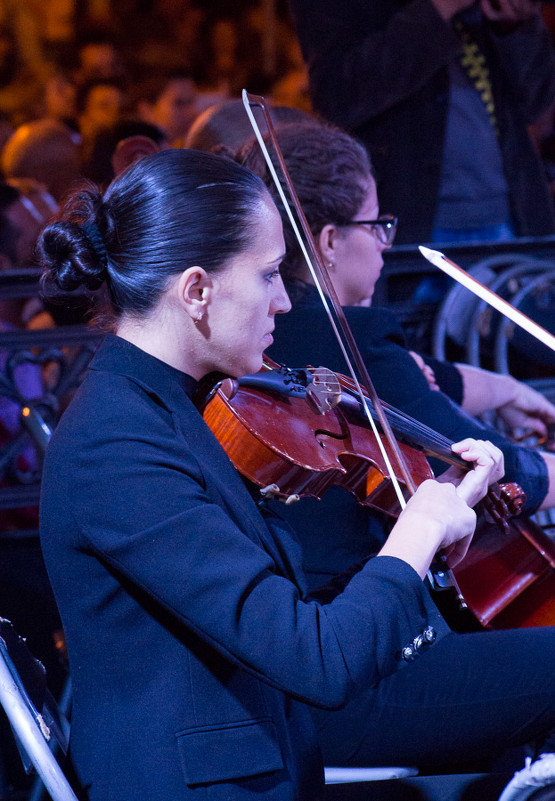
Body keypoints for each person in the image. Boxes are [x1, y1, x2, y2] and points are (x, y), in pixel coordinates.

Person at [36, 147, 555, 800]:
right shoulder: (116, 443)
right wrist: (417, 528)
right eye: (268, 275)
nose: (284, 300)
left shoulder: (170, 404)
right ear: (196, 290)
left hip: (269, 761)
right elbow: (317, 660)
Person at [288, 0, 555, 244]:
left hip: (514, 219)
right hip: (405, 227)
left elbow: (539, 100)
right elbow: (337, 98)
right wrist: (439, 10)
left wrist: (515, 26)